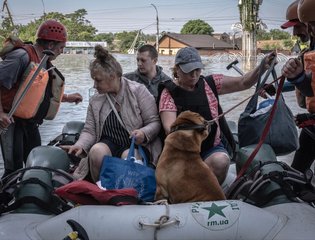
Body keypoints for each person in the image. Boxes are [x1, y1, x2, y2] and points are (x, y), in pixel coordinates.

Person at [158, 47, 276, 184]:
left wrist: (262, 66)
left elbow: (243, 82)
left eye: (197, 69)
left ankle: (206, 192)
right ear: (177, 70)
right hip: (182, 151)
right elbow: (170, 130)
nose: (194, 75)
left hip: (210, 147)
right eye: (188, 71)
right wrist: (198, 127)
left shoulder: (210, 83)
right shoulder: (168, 93)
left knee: (221, 160)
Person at [63, 45, 162, 182]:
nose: (94, 85)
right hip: (108, 142)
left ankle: (127, 195)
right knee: (97, 151)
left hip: (136, 145)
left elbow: (154, 122)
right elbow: (89, 131)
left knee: (129, 156)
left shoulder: (138, 91)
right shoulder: (96, 100)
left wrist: (144, 133)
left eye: (98, 80)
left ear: (113, 76)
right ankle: (101, 189)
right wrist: (80, 145)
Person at [0, 19, 83, 178]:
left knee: (35, 164)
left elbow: (36, 93)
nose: (62, 52)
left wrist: (66, 98)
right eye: (61, 48)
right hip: (11, 123)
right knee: (14, 170)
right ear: (50, 45)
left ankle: (30, 195)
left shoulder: (44, 60)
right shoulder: (21, 57)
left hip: (30, 124)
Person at [281, 0, 315, 173]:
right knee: (298, 168)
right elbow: (309, 85)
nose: (295, 32)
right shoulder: (310, 51)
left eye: (299, 26)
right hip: (312, 122)